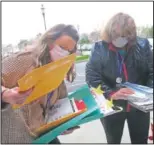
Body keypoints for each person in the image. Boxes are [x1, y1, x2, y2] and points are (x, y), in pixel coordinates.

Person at [1, 24, 79, 144]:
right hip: (17, 136)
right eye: (62, 47)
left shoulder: (59, 67)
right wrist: (4, 94)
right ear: (49, 41)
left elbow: (59, 104)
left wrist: (65, 124)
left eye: (70, 51)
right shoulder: (24, 60)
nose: (65, 54)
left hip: (44, 133)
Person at [86, 12, 153, 144]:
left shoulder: (143, 45)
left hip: (139, 107)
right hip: (112, 106)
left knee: (140, 141)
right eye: (116, 35)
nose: (120, 39)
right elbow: (92, 77)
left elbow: (152, 72)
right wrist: (111, 92)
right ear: (110, 31)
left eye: (125, 35)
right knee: (113, 140)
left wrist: (148, 94)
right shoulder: (99, 48)